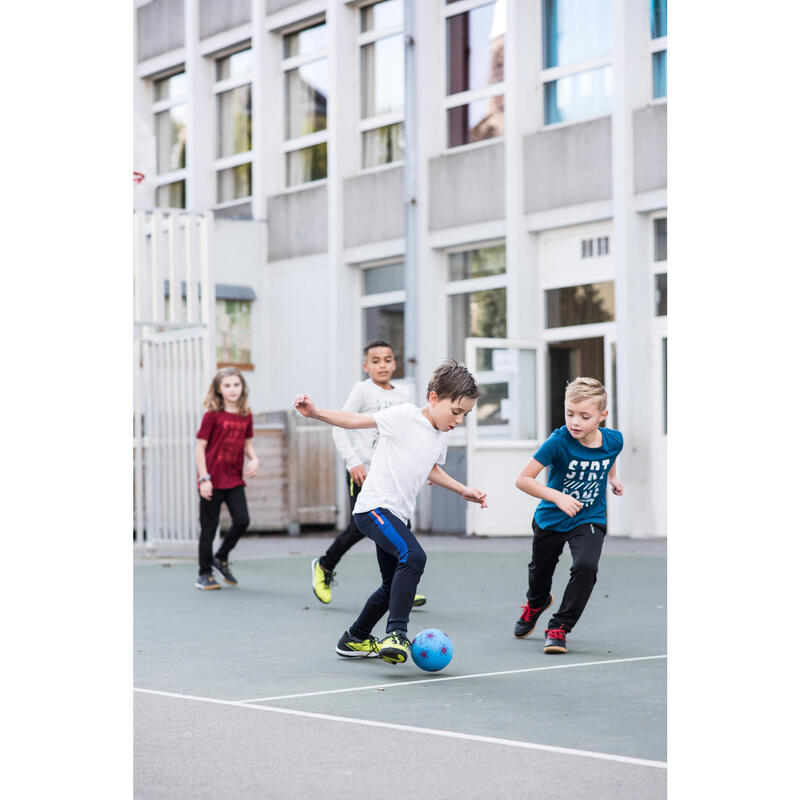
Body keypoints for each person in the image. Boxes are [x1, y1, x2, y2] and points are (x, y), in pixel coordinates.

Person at [293, 360, 488, 664]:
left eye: (465, 414)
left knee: (391, 585)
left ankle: (354, 638)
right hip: (374, 508)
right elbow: (354, 420)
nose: (459, 420)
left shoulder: (441, 432)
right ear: (434, 398)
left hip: (396, 514)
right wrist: (316, 413)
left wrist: (463, 490)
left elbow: (430, 467)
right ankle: (397, 633)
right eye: (456, 411)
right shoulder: (404, 416)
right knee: (415, 556)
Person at [512, 377, 623, 654]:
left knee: (586, 566)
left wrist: (613, 478)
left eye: (585, 416)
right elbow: (523, 479)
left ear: (602, 416)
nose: (575, 421)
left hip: (589, 517)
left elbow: (609, 457)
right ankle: (536, 603)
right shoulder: (558, 442)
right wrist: (558, 496)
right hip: (551, 518)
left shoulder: (614, 440)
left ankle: (560, 626)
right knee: (540, 574)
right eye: (570, 413)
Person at [311, 339, 425, 609]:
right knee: (360, 527)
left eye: (387, 360)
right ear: (366, 366)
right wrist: (353, 462)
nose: (382, 365)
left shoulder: (404, 394)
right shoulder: (362, 391)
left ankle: (400, 582)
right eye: (376, 361)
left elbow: (408, 435)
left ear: (395, 364)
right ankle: (325, 566)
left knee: (399, 524)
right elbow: (340, 427)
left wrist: (421, 466)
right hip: (363, 472)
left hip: (391, 473)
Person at [194, 367, 259, 590]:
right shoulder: (211, 415)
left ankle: (220, 558)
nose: (233, 389)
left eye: (236, 385)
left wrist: (254, 459)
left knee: (242, 520)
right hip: (211, 479)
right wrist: (204, 479)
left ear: (242, 388)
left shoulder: (245, 414)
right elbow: (200, 448)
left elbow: (247, 443)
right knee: (209, 528)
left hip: (233, 478)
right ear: (219, 390)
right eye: (227, 386)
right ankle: (204, 573)